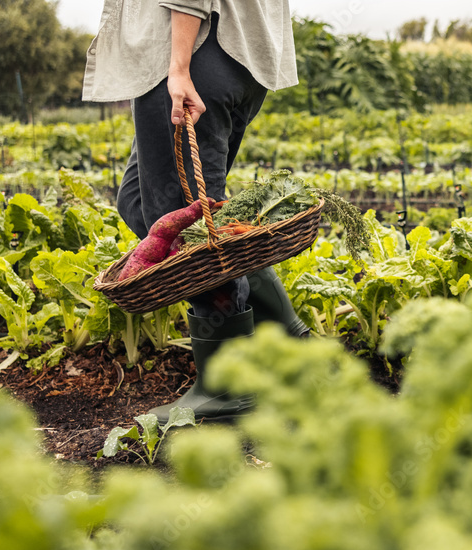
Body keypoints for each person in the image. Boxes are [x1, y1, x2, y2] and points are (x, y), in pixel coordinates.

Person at [82, 0, 309, 423]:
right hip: (233, 54)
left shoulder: (187, 59)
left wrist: (180, 66)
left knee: (192, 236)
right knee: (139, 202)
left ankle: (227, 390)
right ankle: (286, 333)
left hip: (197, 49)